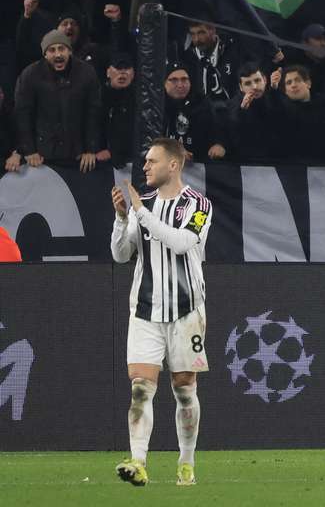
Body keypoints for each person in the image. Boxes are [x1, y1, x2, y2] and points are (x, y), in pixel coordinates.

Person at [110, 137, 213, 487]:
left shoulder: (199, 205)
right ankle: (138, 462)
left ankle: (186, 463)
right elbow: (122, 254)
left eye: (152, 161)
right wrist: (122, 219)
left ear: (173, 165)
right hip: (145, 311)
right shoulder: (144, 205)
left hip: (187, 312)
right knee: (141, 388)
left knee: (185, 390)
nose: (145, 167)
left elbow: (183, 243)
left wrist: (140, 213)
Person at [13, 29, 101, 172]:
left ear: (70, 51)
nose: (58, 54)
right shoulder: (30, 75)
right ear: (45, 54)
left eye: (62, 48)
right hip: (42, 156)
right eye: (52, 50)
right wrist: (28, 150)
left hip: (77, 155)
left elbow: (93, 112)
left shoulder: (87, 73)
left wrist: (90, 148)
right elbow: (23, 114)